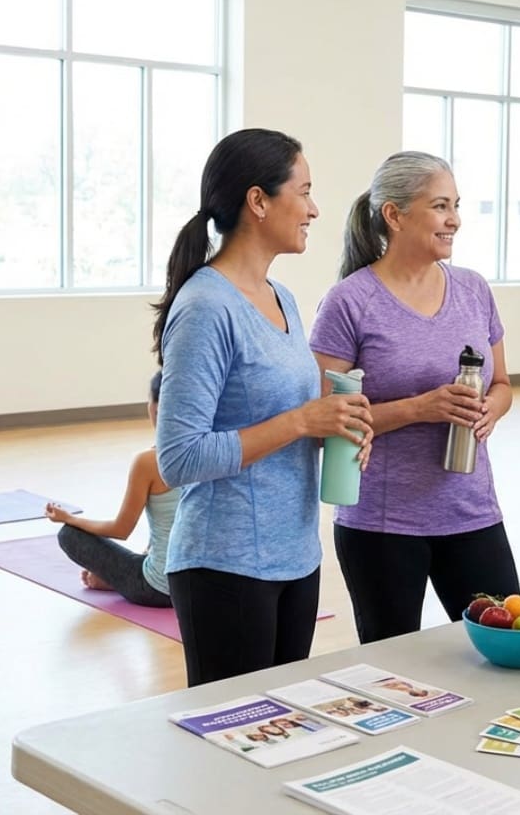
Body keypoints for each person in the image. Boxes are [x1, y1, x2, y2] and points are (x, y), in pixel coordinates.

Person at [153, 128, 373, 687]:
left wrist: (334, 430)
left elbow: (287, 418)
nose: (314, 209)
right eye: (303, 191)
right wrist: (301, 420)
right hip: (224, 565)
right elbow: (179, 458)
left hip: (295, 556)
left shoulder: (284, 299)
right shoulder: (206, 306)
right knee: (231, 744)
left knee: (280, 733)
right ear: (258, 201)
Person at [309, 151, 520, 643]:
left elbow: (504, 385)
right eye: (441, 206)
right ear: (395, 215)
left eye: (457, 205)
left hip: (471, 511)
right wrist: (418, 409)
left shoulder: (473, 290)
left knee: (507, 645)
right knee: (392, 672)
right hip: (382, 526)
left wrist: (493, 408)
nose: (455, 220)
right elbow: (320, 421)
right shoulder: (349, 302)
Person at [46, 371, 176, 608]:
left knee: (69, 535)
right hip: (201, 587)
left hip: (157, 589)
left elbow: (121, 529)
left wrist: (70, 519)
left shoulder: (147, 462)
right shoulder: (208, 453)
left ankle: (113, 582)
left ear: (154, 409)